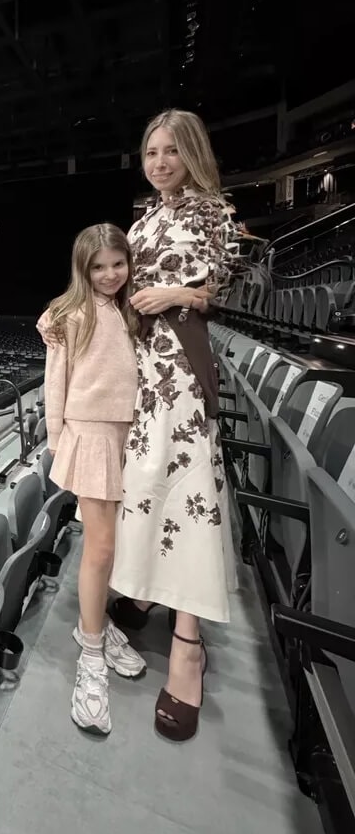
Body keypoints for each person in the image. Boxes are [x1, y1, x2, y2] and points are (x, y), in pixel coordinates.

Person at [111, 109, 240, 743]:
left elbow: (228, 290)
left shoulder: (213, 211)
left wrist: (177, 297)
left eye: (170, 151)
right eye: (150, 151)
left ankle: (187, 643)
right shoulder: (144, 220)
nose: (159, 161)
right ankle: (142, 592)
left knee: (187, 498)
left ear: (191, 152)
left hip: (182, 372)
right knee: (144, 487)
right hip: (141, 370)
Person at [36, 223, 144, 735]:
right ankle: (91, 653)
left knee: (114, 545)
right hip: (92, 435)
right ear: (83, 269)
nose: (108, 274)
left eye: (116, 264)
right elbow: (54, 381)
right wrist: (59, 441)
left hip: (128, 435)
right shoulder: (71, 313)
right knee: (99, 548)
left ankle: (95, 624)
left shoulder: (128, 309)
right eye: (97, 267)